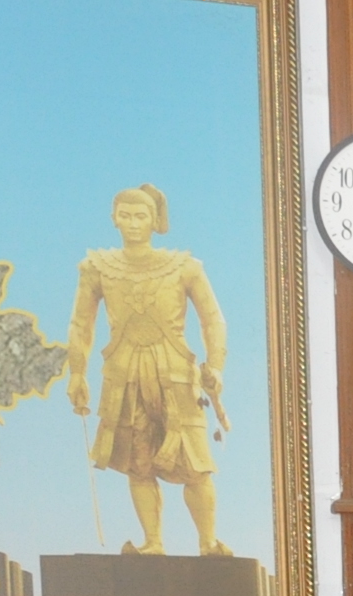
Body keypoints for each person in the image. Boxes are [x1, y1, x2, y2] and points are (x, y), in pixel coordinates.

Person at [66, 183, 232, 557]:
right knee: (137, 462)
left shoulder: (185, 267)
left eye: (140, 216)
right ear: (114, 219)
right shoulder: (96, 268)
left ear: (155, 220)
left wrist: (217, 366)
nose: (132, 223)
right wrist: (77, 373)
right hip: (123, 374)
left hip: (176, 374)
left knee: (195, 463)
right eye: (124, 216)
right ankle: (153, 541)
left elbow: (213, 320)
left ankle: (207, 542)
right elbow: (80, 324)